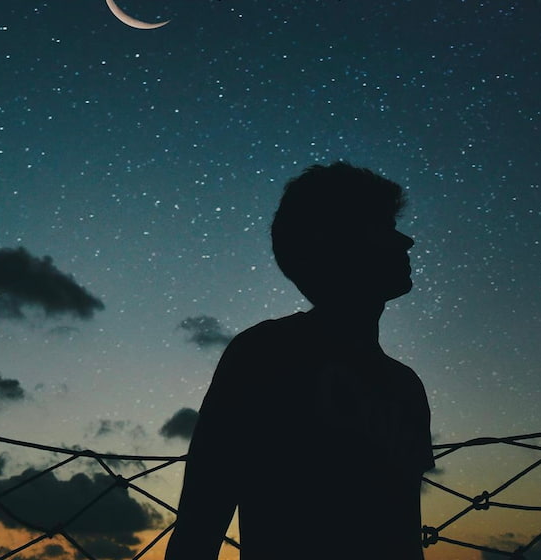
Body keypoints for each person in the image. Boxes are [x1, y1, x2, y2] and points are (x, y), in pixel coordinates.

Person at [165, 162, 434, 560]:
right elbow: (201, 520)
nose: (406, 241)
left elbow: (404, 535)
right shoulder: (265, 354)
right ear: (336, 242)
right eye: (383, 227)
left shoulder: (405, 385)